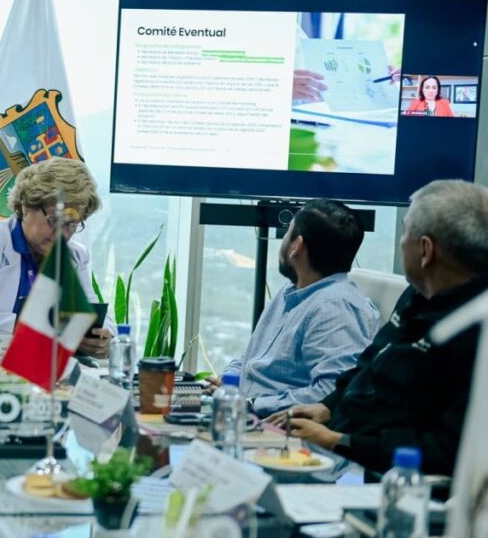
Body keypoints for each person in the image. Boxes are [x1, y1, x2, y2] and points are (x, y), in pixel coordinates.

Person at [268, 180, 488, 475]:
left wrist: (337, 441)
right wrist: (328, 406)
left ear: (425, 250)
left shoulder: (474, 330)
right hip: (341, 444)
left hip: (383, 475)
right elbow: (370, 362)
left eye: (404, 234)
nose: (401, 243)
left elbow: (445, 451)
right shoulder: (418, 294)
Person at [208, 200, 380, 417]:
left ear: (296, 246)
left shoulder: (335, 310)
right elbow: (252, 359)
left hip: (273, 426)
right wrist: (229, 382)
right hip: (242, 413)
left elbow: (330, 393)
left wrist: (252, 404)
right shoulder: (291, 291)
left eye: (287, 233)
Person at [0, 158, 113, 357]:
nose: (61, 234)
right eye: (54, 220)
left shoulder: (74, 255)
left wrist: (101, 338)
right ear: (26, 206)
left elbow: (97, 316)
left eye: (71, 224)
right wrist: (42, 329)